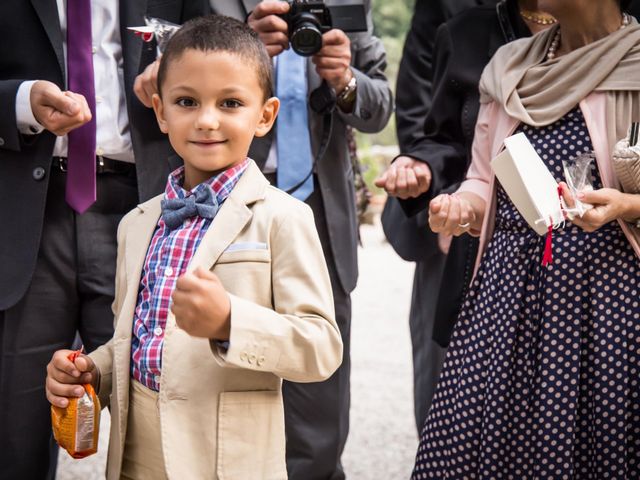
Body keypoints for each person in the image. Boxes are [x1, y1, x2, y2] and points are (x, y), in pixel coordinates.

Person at [45, 15, 343, 479]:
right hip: (136, 458)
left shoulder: (283, 217)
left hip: (225, 462)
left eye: (230, 103)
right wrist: (92, 372)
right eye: (187, 102)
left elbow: (321, 348)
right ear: (161, 112)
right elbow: (135, 339)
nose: (206, 120)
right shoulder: (137, 224)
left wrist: (230, 322)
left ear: (264, 115)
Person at [412, 0, 640, 477]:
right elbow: (481, 179)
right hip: (507, 295)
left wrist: (626, 206)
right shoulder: (512, 65)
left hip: (609, 303)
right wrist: (460, 206)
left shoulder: (635, 62)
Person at [0, 1, 208, 478]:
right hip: (25, 212)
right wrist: (20, 101)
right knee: (14, 429)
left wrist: (181, 69)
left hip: (147, 204)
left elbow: (225, 40)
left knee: (163, 421)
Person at [376, 0, 499, 432]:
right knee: (443, 396)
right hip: (455, 220)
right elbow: (419, 110)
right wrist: (441, 191)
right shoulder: (448, 10)